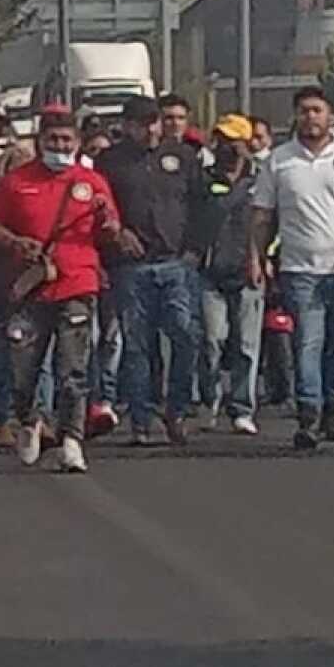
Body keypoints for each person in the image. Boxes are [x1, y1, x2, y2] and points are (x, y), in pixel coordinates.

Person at [248, 85, 334, 451]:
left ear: (331, 116)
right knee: (307, 340)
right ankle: (308, 414)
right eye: (305, 111)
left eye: (317, 111)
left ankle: (333, 409)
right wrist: (257, 257)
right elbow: (262, 215)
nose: (311, 117)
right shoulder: (279, 160)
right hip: (299, 268)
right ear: (295, 116)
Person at [0, 107, 122, 473]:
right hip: (31, 287)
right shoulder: (15, 182)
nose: (59, 146)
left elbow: (110, 227)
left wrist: (110, 227)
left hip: (78, 283)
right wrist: (17, 243)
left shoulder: (91, 183)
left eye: (66, 140)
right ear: (40, 141)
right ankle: (31, 420)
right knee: (23, 365)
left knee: (72, 367)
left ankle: (72, 439)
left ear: (77, 143)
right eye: (52, 140)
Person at [98, 95, 205, 446]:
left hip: (175, 263)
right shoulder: (110, 162)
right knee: (136, 346)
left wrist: (193, 249)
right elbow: (98, 208)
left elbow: (202, 204)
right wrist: (116, 233)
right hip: (131, 267)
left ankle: (176, 410)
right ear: (126, 126)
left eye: (154, 121)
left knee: (185, 335)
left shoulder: (183, 157)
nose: (150, 129)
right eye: (141, 123)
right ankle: (141, 420)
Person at [190, 113, 263, 435]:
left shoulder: (262, 182)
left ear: (247, 145)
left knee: (247, 345)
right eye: (222, 140)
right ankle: (210, 401)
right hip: (210, 272)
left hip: (248, 272)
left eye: (235, 142)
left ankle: (242, 408)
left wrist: (264, 258)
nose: (228, 149)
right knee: (212, 340)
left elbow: (269, 226)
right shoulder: (203, 180)